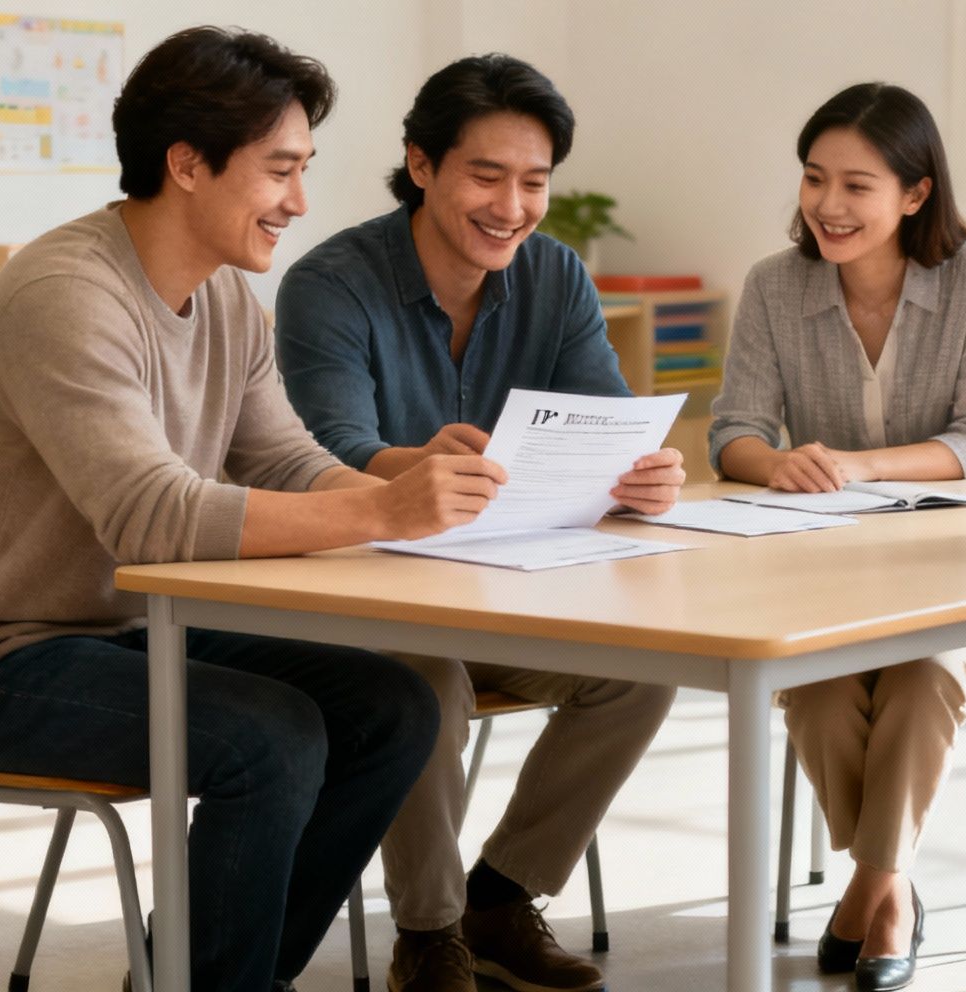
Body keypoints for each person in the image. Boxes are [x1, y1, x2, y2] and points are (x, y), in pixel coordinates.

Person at [0, 26, 509, 992]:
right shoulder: (65, 294)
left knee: (393, 708)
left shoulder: (226, 296)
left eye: (303, 170)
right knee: (270, 738)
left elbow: (286, 460)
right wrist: (385, 513)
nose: (299, 203)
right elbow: (151, 516)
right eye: (279, 172)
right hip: (0, 665)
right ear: (186, 164)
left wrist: (436, 508)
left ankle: (208, 973)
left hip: (134, 630)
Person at [274, 53, 682, 992]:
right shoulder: (330, 283)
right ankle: (430, 930)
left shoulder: (556, 278)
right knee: (423, 683)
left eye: (533, 182)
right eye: (485, 176)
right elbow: (327, 450)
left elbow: (605, 423)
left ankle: (501, 896)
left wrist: (641, 475)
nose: (512, 206)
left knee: (641, 670)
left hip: (507, 582)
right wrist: (408, 470)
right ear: (421, 165)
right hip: (371, 594)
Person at [709, 82, 966, 992]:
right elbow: (733, 430)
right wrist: (777, 466)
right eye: (815, 181)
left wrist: (861, 463)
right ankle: (892, 888)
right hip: (824, 587)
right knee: (814, 686)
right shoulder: (776, 284)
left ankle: (873, 892)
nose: (829, 207)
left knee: (926, 673)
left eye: (857, 186)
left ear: (915, 194)